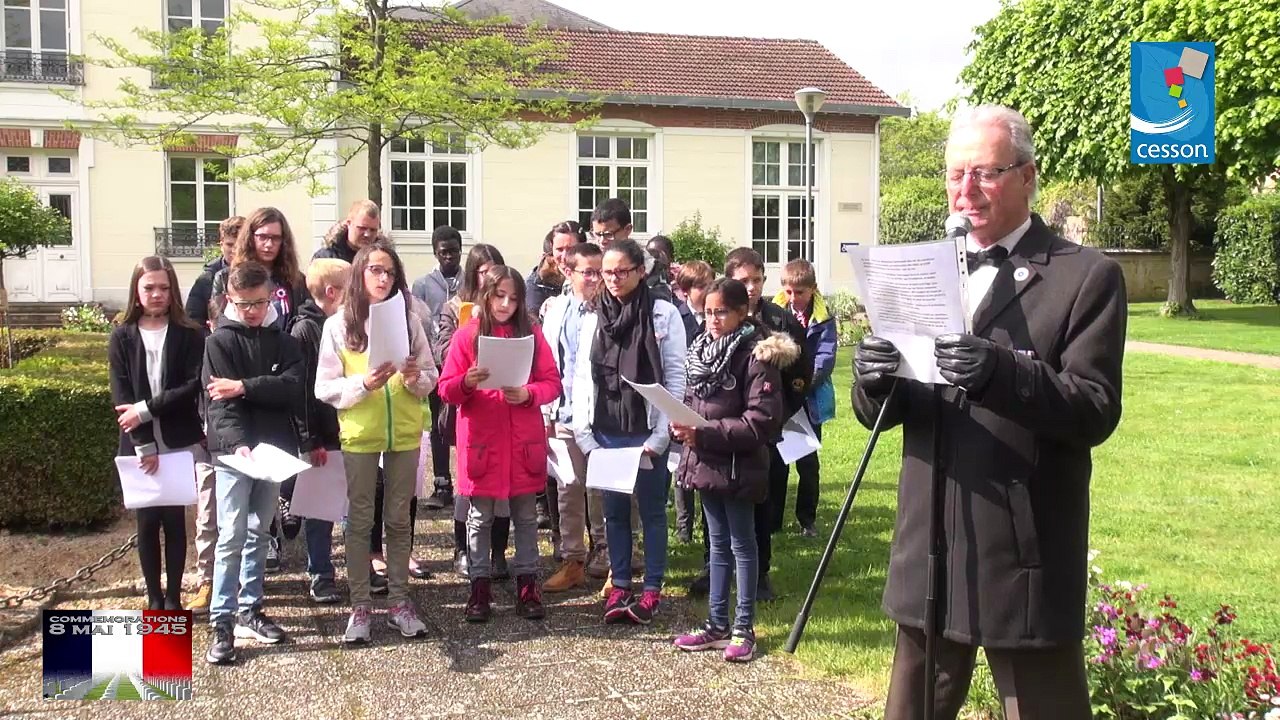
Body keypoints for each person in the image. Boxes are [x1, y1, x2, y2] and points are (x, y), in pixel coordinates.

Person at [853, 104, 1126, 719]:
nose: (966, 191)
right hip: (930, 543)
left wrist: (1006, 374)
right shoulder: (917, 269)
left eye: (986, 173)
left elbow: (1096, 409)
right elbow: (882, 412)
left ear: (1028, 176)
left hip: (1021, 546)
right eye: (955, 175)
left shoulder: (1085, 277)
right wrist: (872, 381)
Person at [315, 240, 438, 644]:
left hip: (403, 431)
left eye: (389, 272)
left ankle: (400, 603)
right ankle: (361, 607)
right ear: (359, 274)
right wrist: (363, 384)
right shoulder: (338, 324)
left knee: (399, 519)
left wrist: (413, 378)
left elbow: (430, 377)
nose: (383, 278)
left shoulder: (409, 318)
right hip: (361, 434)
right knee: (359, 521)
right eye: (375, 270)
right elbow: (324, 388)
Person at [671, 278, 798, 663]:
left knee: (743, 545)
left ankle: (744, 627)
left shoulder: (757, 357)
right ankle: (716, 625)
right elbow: (694, 401)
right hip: (707, 463)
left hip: (739, 466)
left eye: (722, 312)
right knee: (717, 544)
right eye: (708, 312)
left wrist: (703, 433)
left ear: (743, 313)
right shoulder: (702, 350)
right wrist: (681, 425)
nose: (713, 319)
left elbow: (761, 422)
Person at [571, 239, 686, 625]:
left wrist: (660, 438)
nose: (615, 279)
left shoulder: (663, 314)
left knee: (652, 513)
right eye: (608, 272)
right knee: (614, 514)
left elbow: (675, 377)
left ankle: (652, 589)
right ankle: (620, 583)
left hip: (646, 432)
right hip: (605, 430)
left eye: (622, 271)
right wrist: (584, 436)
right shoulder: (593, 316)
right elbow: (582, 378)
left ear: (641, 271)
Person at [438, 265, 561, 622]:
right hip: (482, 442)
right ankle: (480, 587)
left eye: (513, 297)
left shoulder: (532, 333)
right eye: (499, 296)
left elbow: (552, 382)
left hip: (523, 442)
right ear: (486, 295)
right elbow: (446, 388)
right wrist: (467, 382)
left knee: (525, 517)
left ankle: (527, 586)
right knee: (479, 518)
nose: (506, 304)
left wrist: (527, 393)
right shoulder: (468, 336)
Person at [202, 260, 305, 665]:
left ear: (271, 299)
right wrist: (238, 443)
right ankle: (222, 620)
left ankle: (251, 608)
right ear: (230, 299)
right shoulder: (219, 343)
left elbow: (293, 388)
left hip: (273, 452)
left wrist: (244, 387)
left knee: (260, 531)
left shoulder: (283, 341)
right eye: (244, 304)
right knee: (230, 535)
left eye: (259, 303)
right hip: (234, 454)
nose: (252, 311)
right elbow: (218, 404)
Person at [109, 256, 207, 611]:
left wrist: (146, 409)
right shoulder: (121, 335)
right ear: (137, 289)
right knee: (147, 522)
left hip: (177, 437)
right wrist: (142, 443)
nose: (156, 294)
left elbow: (190, 385)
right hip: (137, 440)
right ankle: (153, 597)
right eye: (149, 287)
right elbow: (121, 394)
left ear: (173, 291)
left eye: (164, 288)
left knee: (175, 521)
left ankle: (173, 598)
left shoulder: (190, 333)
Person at [721, 247, 813, 602]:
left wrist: (780, 414)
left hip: (766, 430)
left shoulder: (779, 320)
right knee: (718, 499)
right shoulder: (719, 313)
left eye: (756, 280)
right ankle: (715, 569)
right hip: (725, 427)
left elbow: (800, 374)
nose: (751, 287)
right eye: (743, 281)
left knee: (762, 501)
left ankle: (760, 574)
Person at [437, 243, 513, 578]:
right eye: (481, 271)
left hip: (504, 404)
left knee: (503, 486)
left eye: (493, 269)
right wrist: (467, 337)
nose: (488, 277)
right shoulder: (454, 307)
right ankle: (462, 549)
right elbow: (441, 351)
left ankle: (498, 553)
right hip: (467, 403)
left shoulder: (512, 309)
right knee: (469, 483)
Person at [539, 242, 605, 592]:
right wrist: (546, 411)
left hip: (598, 417)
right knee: (568, 487)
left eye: (600, 272)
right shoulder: (557, 308)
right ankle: (573, 560)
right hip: (562, 412)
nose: (595, 279)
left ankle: (607, 558)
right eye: (588, 272)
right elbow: (549, 360)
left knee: (601, 489)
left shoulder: (610, 311)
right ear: (569, 272)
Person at [287, 258, 351, 605]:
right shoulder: (306, 331)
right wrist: (309, 439)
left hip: (349, 432)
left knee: (353, 507)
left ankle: (357, 569)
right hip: (322, 437)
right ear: (332, 292)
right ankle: (321, 574)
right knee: (320, 511)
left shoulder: (347, 325)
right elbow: (302, 392)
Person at [773, 258, 837, 537]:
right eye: (789, 292)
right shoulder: (775, 313)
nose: (794, 298)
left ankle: (807, 520)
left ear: (813, 289)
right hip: (781, 398)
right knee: (777, 463)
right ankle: (773, 520)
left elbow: (825, 357)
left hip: (809, 400)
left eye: (800, 292)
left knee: (807, 463)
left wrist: (804, 383)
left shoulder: (823, 320)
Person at [412, 225, 463, 510]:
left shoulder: (469, 280)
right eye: (444, 253)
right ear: (435, 253)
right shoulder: (422, 284)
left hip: (462, 362)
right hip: (435, 362)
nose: (449, 258)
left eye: (454, 252)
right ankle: (442, 482)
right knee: (439, 423)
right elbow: (418, 321)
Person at [210, 206, 309, 333]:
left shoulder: (296, 280)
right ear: (250, 238)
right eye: (262, 237)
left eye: (275, 238)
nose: (269, 244)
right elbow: (220, 324)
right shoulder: (225, 277)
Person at [671, 260, 715, 546]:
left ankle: (709, 522)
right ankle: (684, 524)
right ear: (686, 291)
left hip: (710, 398)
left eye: (710, 283)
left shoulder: (716, 318)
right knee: (681, 464)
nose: (707, 290)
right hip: (684, 396)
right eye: (701, 286)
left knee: (708, 461)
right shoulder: (678, 318)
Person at [590, 198, 674, 303]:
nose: (602, 241)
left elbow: (660, 310)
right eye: (597, 234)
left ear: (628, 229)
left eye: (608, 234)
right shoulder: (590, 264)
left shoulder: (651, 267)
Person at [186, 216, 243, 327]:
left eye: (239, 245)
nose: (234, 250)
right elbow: (193, 320)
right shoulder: (206, 279)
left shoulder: (260, 275)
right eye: (230, 245)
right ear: (221, 245)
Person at [526, 220, 586, 317]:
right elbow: (532, 320)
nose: (564, 256)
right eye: (559, 249)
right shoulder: (538, 282)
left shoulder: (595, 276)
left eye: (571, 249)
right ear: (552, 250)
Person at [314, 199, 381, 263]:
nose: (367, 234)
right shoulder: (326, 259)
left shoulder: (384, 259)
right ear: (348, 223)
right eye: (362, 228)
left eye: (373, 230)